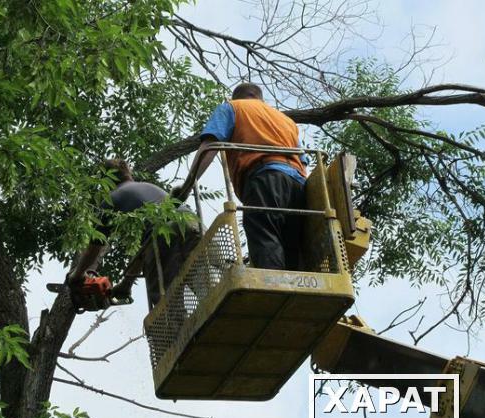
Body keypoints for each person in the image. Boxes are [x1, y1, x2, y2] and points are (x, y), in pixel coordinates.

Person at [182, 83, 307, 270]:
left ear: (237, 97)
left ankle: (271, 291)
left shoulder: (232, 107)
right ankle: (296, 291)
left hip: (266, 178)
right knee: (291, 245)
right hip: (298, 184)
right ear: (260, 99)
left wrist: (188, 186)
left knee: (263, 232)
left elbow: (210, 145)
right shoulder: (286, 121)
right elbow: (303, 160)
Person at [67, 159, 202, 310]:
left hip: (163, 237)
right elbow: (143, 250)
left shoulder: (110, 200)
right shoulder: (149, 187)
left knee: (167, 306)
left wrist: (77, 274)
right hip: (193, 224)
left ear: (106, 180)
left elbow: (94, 249)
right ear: (128, 174)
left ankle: (180, 332)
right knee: (206, 284)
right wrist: (126, 283)